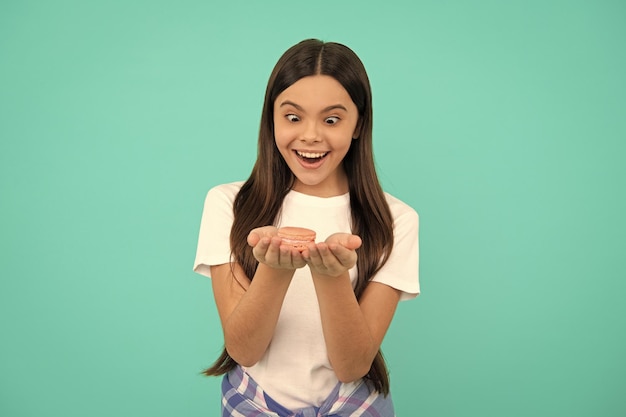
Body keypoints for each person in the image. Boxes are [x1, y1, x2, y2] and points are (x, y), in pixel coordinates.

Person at [193, 38, 419, 416]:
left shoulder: (395, 220)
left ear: (358, 123)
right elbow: (243, 350)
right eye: (293, 117)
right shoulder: (229, 205)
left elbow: (352, 366)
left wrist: (331, 278)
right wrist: (275, 270)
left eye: (332, 119)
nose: (311, 135)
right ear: (272, 119)